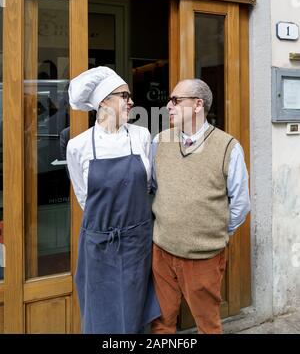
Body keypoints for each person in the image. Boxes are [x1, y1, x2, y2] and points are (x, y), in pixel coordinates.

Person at [151, 79, 250, 334]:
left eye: (175, 100)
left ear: (197, 105)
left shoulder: (228, 146)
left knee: (208, 325)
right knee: (162, 322)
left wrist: (213, 232)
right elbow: (153, 186)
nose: (168, 106)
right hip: (162, 251)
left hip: (203, 257)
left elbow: (240, 204)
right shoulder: (160, 141)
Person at [66, 66, 160, 334]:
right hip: (99, 245)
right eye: (124, 96)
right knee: (100, 312)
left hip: (136, 242)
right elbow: (83, 195)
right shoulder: (78, 145)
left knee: (135, 310)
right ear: (104, 101)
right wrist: (106, 226)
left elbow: (148, 184)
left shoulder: (141, 137)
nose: (131, 102)